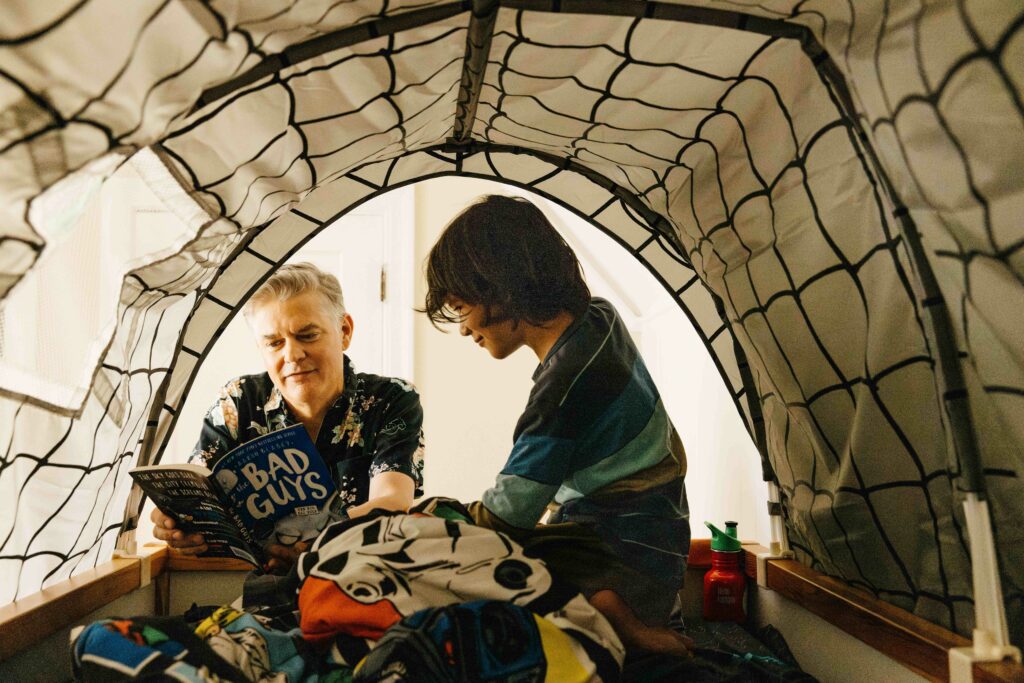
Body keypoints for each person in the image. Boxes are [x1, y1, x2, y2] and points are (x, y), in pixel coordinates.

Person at [423, 195, 692, 655]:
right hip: (660, 544)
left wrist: (435, 520)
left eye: (461, 308)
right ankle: (616, 607)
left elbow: (508, 515)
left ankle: (619, 618)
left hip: (620, 553)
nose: (464, 329)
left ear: (501, 288)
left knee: (480, 565)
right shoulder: (601, 319)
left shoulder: (561, 390)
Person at [152, 263, 424, 573]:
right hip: (254, 588)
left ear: (344, 332)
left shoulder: (392, 399)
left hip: (361, 579)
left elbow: (392, 499)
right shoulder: (238, 400)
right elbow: (196, 493)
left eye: (307, 336)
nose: (292, 355)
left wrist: (318, 543)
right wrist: (175, 523)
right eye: (274, 343)